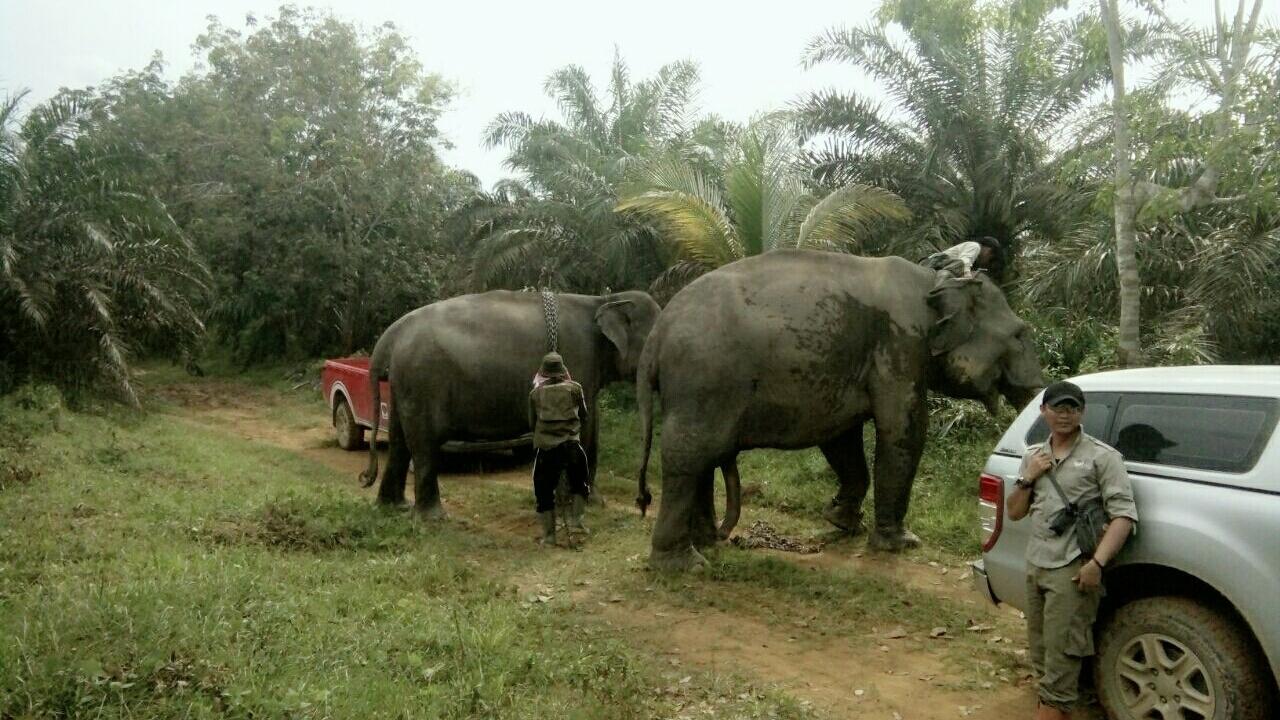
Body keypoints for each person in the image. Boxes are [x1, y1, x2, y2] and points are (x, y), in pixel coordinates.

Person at [1006, 380, 1139, 720]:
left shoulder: (1102, 458)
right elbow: (1015, 511)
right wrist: (1028, 477)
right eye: (1057, 407)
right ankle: (1056, 703)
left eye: (1072, 408)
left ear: (1082, 413)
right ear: (1043, 411)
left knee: (1063, 654)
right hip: (1036, 563)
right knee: (1041, 649)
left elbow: (1123, 515)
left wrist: (1097, 562)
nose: (1064, 415)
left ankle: (1053, 706)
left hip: (1073, 568)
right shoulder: (1033, 456)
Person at [527, 352, 590, 546]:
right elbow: (584, 414)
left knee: (543, 489)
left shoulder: (535, 394)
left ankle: (549, 536)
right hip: (572, 446)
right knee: (581, 482)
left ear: (544, 372)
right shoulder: (575, 388)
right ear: (563, 370)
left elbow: (531, 423)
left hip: (547, 449)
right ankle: (576, 522)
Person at [921, 236, 1003, 279]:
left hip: (939, 263)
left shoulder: (973, 249)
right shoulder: (975, 246)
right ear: (987, 248)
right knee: (961, 265)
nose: (988, 257)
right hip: (937, 261)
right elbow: (964, 260)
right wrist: (967, 275)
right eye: (990, 254)